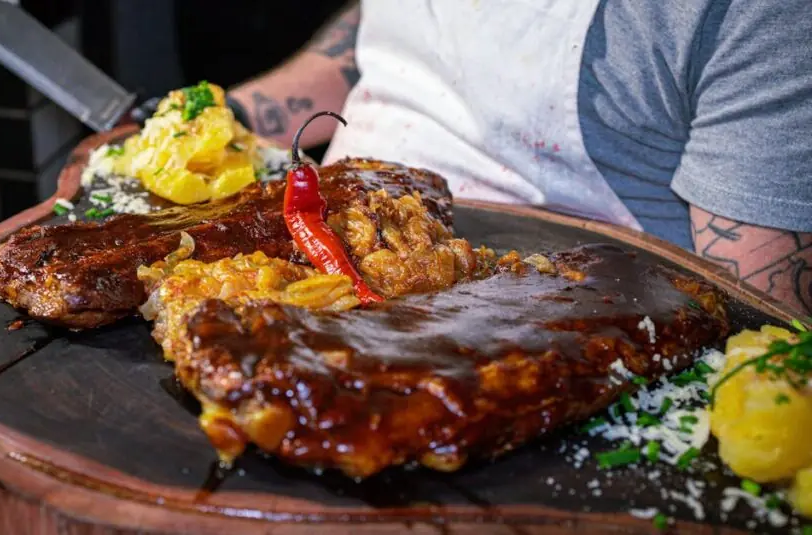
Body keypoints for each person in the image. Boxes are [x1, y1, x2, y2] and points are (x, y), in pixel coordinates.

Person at [210, 1, 812, 316]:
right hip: (323, 246)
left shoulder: (761, 15)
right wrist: (227, 114)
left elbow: (761, 315)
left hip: (552, 318)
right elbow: (383, 38)